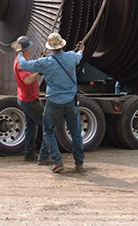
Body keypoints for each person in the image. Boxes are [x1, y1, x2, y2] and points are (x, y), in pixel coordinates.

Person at [18, 33, 86, 173]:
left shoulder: (45, 62)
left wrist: (19, 52)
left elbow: (24, 65)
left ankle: (57, 161)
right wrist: (81, 49)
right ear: (62, 45)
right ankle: (79, 163)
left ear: (50, 48)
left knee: (48, 130)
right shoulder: (71, 56)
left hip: (54, 102)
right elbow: (79, 56)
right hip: (71, 101)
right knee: (76, 133)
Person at [11, 36, 46, 163]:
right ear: (26, 49)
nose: (31, 49)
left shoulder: (22, 59)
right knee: (48, 125)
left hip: (25, 98)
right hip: (29, 100)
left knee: (31, 127)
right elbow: (27, 80)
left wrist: (39, 63)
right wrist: (39, 70)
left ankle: (29, 154)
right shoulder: (21, 64)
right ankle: (45, 156)